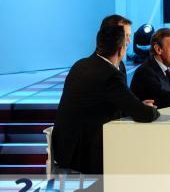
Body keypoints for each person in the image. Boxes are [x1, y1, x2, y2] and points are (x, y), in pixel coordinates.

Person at [52, 24, 159, 176]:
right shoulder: (110, 74)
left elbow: (102, 103)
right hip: (84, 154)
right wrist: (151, 110)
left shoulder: (80, 65)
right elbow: (144, 114)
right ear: (121, 49)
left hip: (64, 148)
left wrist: (135, 106)